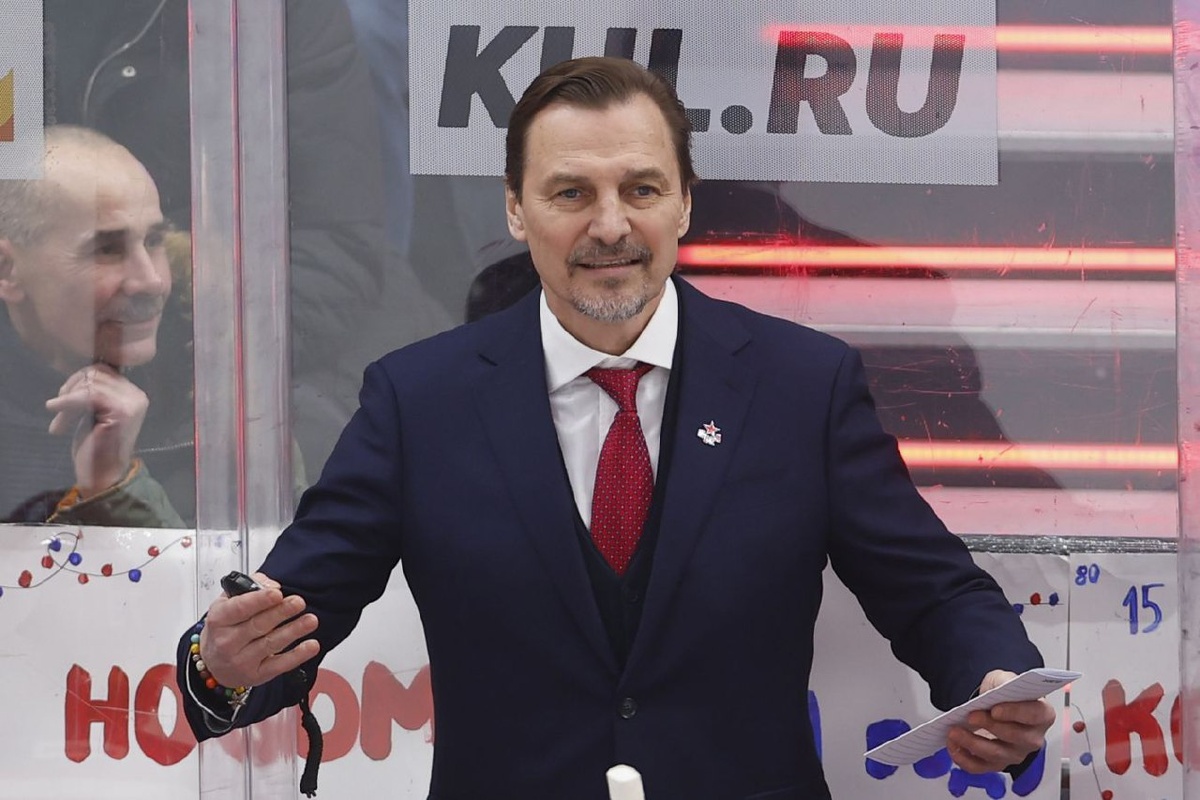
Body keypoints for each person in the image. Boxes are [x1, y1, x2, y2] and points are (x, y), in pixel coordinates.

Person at [177, 57, 1054, 798]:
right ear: (516, 209)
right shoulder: (419, 402)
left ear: (684, 205)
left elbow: (933, 592)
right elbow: (287, 613)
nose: (610, 225)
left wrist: (992, 683)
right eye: (571, 192)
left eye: (642, 189)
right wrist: (221, 664)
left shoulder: (803, 386)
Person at [0, 125, 190, 526]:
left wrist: (113, 488)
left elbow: (269, 567)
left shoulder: (226, 405)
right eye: (106, 249)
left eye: (154, 240)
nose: (151, 281)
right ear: (8, 270)